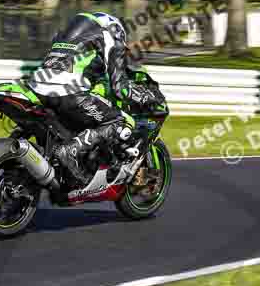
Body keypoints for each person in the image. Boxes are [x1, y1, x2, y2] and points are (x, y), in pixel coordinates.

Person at [26, 12, 160, 188]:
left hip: (36, 88)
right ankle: (70, 150)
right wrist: (145, 97)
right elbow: (120, 88)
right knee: (119, 121)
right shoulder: (111, 37)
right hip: (69, 93)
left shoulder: (64, 38)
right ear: (116, 30)